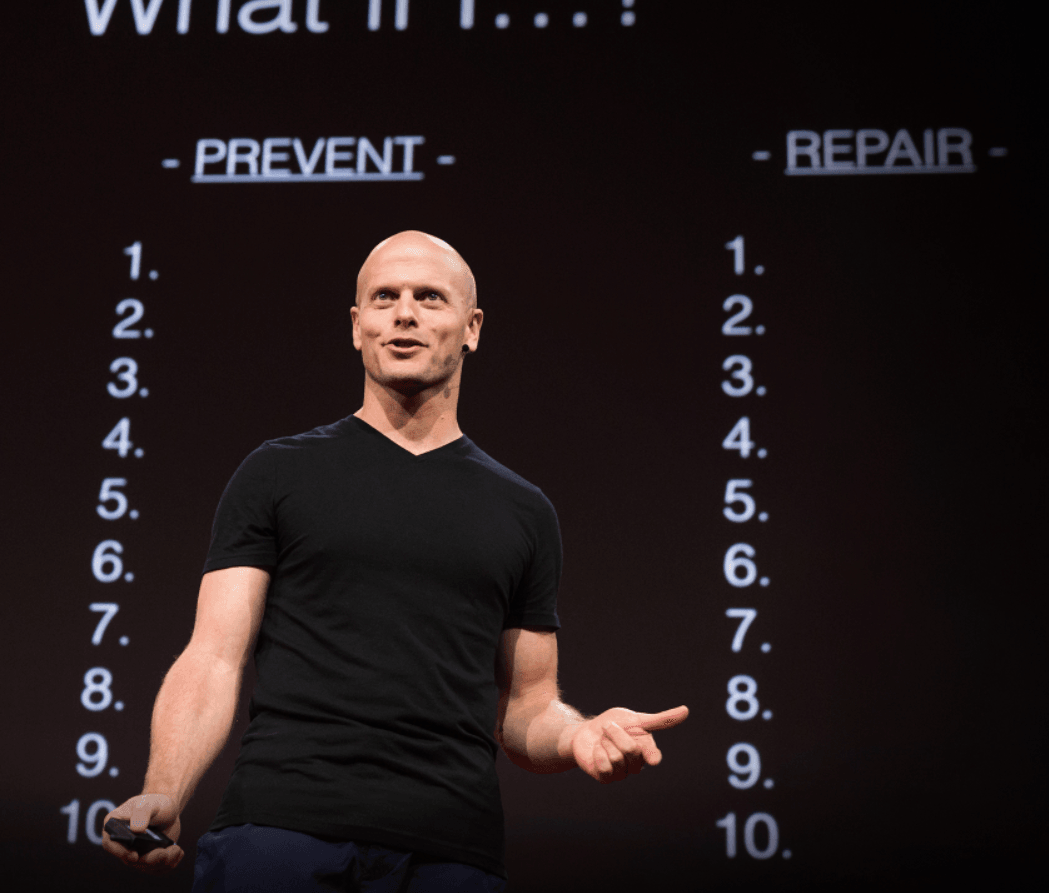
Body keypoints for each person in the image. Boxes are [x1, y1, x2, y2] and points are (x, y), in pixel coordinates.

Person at [101, 231, 688, 891]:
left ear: (472, 329)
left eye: (429, 297)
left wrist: (580, 738)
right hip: (280, 835)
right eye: (385, 297)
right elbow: (213, 655)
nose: (404, 313)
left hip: (451, 854)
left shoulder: (524, 511)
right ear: (358, 327)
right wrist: (165, 791)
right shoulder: (277, 472)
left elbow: (527, 708)